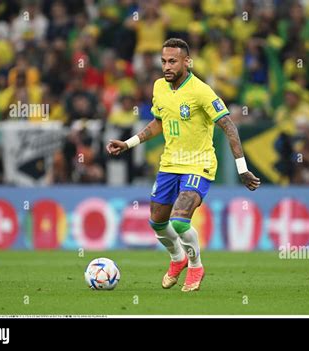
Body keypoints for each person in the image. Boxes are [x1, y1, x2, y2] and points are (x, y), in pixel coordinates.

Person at [107, 38, 260, 292]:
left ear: (187, 62)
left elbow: (228, 126)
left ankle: (196, 265)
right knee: (157, 222)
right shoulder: (159, 87)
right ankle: (177, 258)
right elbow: (159, 122)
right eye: (164, 61)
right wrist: (129, 143)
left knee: (179, 221)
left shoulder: (201, 91)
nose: (166, 66)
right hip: (170, 163)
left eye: (172, 61)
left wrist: (242, 169)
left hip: (199, 164)